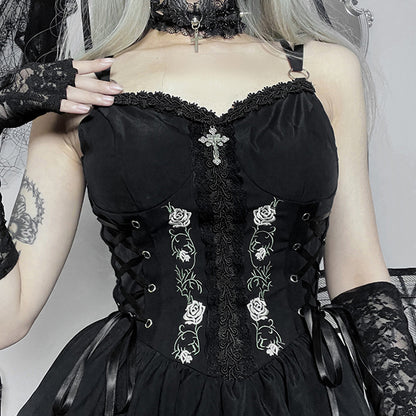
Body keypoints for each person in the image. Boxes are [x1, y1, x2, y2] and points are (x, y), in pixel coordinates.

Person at [0, 0, 415, 415]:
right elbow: (8, 318)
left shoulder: (325, 69)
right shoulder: (77, 89)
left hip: (303, 392)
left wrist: (403, 402)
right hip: (139, 394)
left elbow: (359, 274)